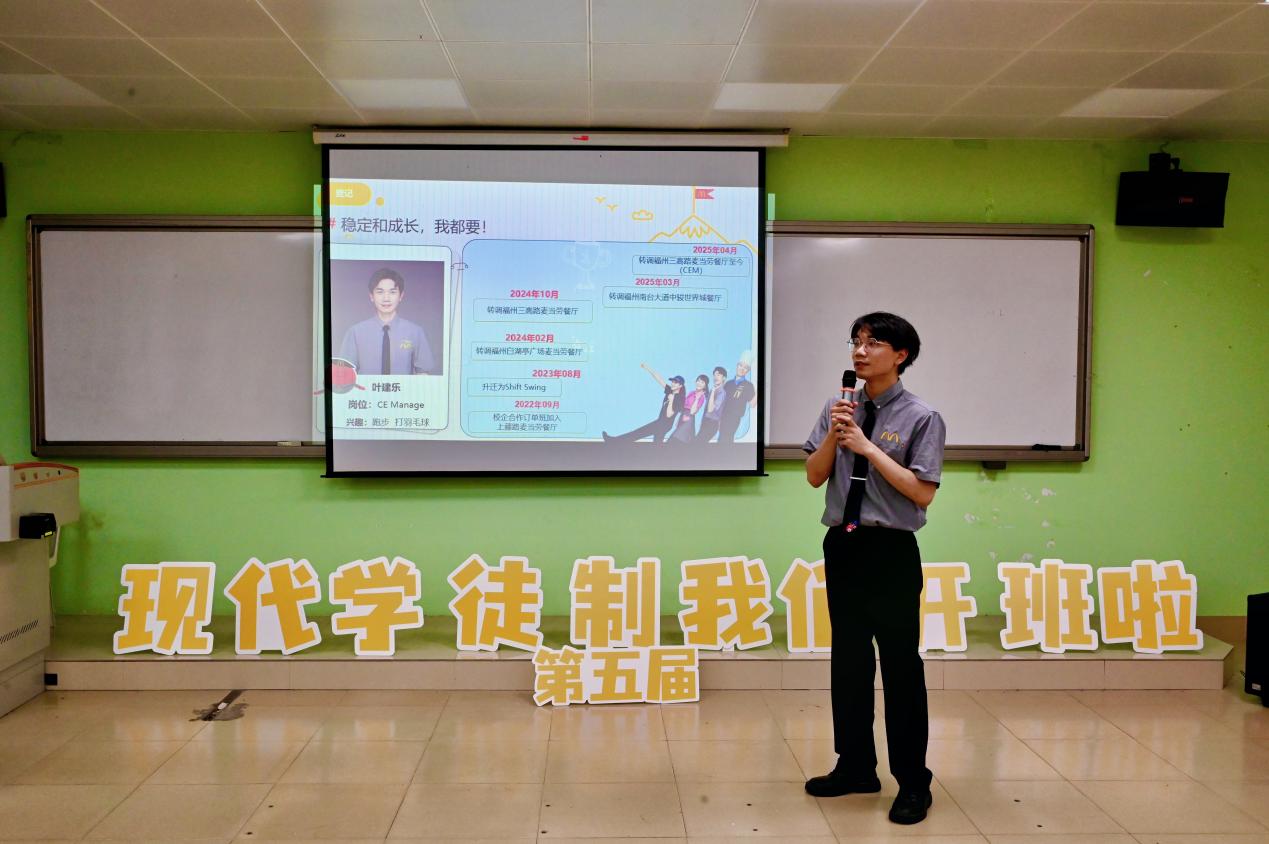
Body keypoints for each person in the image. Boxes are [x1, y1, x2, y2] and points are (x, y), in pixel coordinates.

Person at [800, 312, 946, 826]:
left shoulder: (922, 416)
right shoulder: (839, 406)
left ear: (901, 355)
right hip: (843, 544)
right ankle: (856, 766)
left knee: (901, 667)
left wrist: (866, 448)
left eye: (874, 343)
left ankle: (914, 782)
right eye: (856, 342)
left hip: (891, 550)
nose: (860, 351)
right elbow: (814, 476)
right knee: (849, 661)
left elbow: (922, 492)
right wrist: (836, 433)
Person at [337, 268, 436, 375]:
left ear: (401, 296)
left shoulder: (415, 332)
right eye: (380, 292)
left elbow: (424, 374)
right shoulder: (355, 332)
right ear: (371, 296)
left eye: (392, 292)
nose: (386, 298)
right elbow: (344, 374)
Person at [602, 364, 684, 443]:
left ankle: (613, 441)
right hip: (660, 423)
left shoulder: (679, 399)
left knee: (637, 433)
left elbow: (669, 415)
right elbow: (659, 379)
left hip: (664, 425)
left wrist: (671, 400)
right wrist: (647, 368)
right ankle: (613, 441)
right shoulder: (670, 391)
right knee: (657, 445)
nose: (673, 384)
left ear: (680, 386)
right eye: (672, 382)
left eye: (675, 382)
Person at [716, 351, 757, 442]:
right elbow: (722, 402)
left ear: (748, 371)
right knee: (721, 438)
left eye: (745, 368)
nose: (742, 369)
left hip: (734, 417)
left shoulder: (748, 385)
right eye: (740, 366)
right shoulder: (728, 383)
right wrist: (719, 419)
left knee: (727, 438)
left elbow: (752, 404)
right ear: (737, 366)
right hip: (723, 416)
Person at [668, 374, 709, 443]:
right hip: (683, 416)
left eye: (702, 382)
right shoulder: (691, 392)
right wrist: (679, 419)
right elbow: (683, 406)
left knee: (674, 440)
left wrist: (697, 398)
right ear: (695, 382)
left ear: (705, 386)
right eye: (698, 381)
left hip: (689, 419)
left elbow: (693, 412)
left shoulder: (701, 397)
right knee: (677, 441)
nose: (699, 383)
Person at [696, 366, 728, 443]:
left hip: (712, 423)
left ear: (724, 378)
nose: (715, 377)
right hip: (705, 421)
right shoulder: (712, 390)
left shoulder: (721, 392)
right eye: (714, 375)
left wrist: (713, 391)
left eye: (718, 375)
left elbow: (710, 409)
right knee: (698, 444)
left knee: (697, 444)